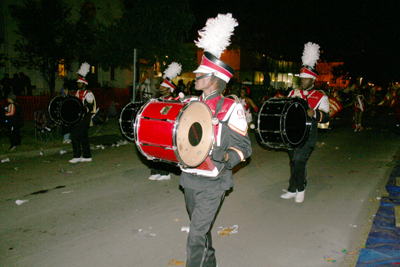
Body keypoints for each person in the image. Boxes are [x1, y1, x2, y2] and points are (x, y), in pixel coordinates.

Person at [180, 13, 252, 267]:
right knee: (203, 231)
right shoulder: (189, 105)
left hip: (214, 181)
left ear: (214, 79)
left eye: (201, 74)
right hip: (189, 178)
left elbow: (245, 148)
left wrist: (226, 157)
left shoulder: (232, 108)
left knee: (196, 234)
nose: (195, 77)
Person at [280, 42, 330, 203]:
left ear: (313, 79)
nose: (302, 81)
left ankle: (300, 189)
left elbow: (326, 118)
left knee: (299, 160)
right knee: (293, 161)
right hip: (292, 133)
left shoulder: (321, 96)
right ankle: (292, 188)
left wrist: (314, 113)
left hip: (308, 135)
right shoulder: (293, 92)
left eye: (306, 78)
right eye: (301, 78)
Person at [149, 62, 182, 181]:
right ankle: (155, 171)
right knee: (155, 149)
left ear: (169, 90)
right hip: (156, 128)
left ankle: (165, 173)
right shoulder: (158, 100)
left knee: (163, 151)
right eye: (161, 87)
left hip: (167, 129)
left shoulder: (174, 100)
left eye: (163, 87)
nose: (161, 89)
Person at [69, 62, 96, 163]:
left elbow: (89, 106)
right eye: (77, 83)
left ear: (84, 84)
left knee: (82, 136)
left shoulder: (88, 94)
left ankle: (87, 155)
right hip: (77, 117)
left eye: (79, 83)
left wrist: (82, 109)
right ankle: (77, 155)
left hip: (85, 117)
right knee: (74, 135)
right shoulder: (77, 93)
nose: (78, 84)